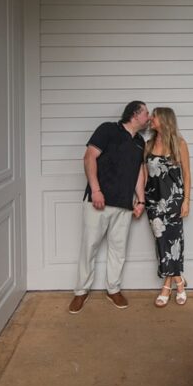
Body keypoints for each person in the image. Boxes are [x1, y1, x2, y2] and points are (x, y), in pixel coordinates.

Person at [69, 101, 149, 314]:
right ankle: (80, 292)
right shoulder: (107, 130)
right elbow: (89, 158)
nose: (148, 117)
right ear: (135, 114)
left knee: (118, 250)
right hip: (98, 202)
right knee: (89, 247)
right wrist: (96, 190)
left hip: (124, 205)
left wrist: (140, 200)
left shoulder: (141, 141)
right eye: (146, 113)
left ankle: (113, 289)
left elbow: (139, 172)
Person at [144, 107, 192, 307]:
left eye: (153, 116)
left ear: (164, 120)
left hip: (173, 200)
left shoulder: (179, 144)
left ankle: (168, 285)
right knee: (161, 242)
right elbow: (145, 175)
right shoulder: (147, 145)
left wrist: (186, 200)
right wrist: (140, 199)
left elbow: (187, 175)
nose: (150, 119)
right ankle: (179, 280)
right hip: (153, 201)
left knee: (174, 242)